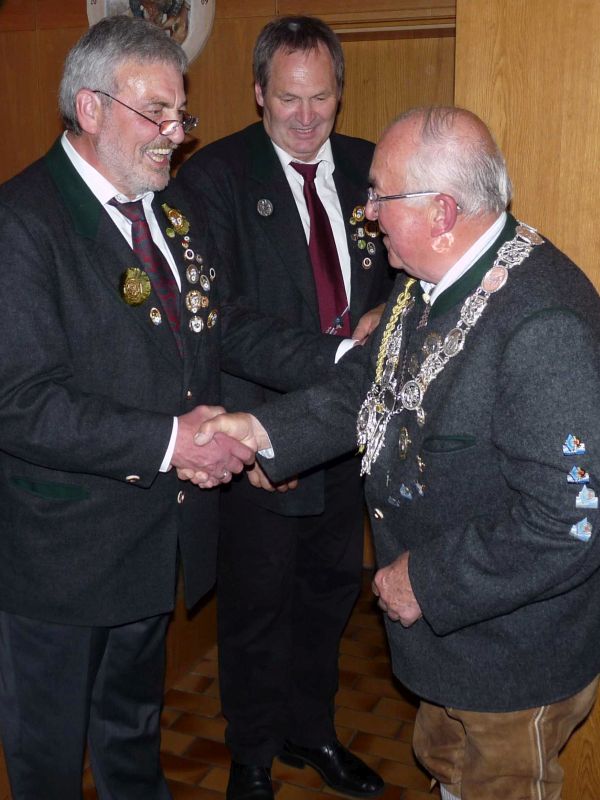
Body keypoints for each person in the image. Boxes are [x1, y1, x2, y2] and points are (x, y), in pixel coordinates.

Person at [196, 107, 600, 800]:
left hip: (509, 660)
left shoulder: (543, 326)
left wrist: (429, 581)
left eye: (381, 194)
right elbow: (367, 381)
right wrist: (259, 430)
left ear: (442, 212)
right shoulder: (428, 277)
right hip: (452, 649)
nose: (368, 211)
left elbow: (573, 521)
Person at [0, 15, 346, 800]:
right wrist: (171, 442)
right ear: (90, 108)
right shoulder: (22, 222)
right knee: (47, 761)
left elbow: (225, 329)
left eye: (180, 114)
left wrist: (342, 359)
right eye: (156, 112)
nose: (175, 134)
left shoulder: (167, 210)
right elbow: (20, 403)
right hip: (60, 557)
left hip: (153, 541)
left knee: (132, 739)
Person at [177, 16, 392, 800]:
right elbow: (218, 324)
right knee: (258, 607)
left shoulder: (371, 167)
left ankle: (313, 731)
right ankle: (253, 754)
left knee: (330, 592)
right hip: (262, 429)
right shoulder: (214, 178)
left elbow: (410, 272)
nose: (306, 117)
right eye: (289, 99)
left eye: (321, 98)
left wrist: (386, 313)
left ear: (340, 93)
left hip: (350, 435)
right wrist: (267, 440)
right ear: (259, 93)